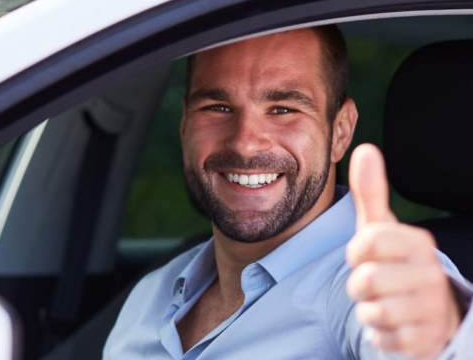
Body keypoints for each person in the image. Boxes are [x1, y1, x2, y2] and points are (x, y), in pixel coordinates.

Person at [103, 25, 473, 359]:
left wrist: (441, 336)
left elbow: (418, 333)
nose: (246, 143)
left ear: (340, 132)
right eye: (217, 107)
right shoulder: (151, 295)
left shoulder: (366, 286)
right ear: (185, 123)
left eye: (282, 109)